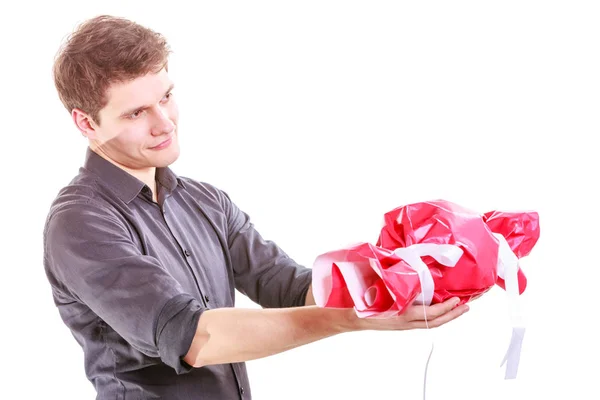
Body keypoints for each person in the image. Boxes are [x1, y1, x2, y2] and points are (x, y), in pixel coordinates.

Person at [43, 15, 469, 399]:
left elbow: (288, 285)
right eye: (136, 112)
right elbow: (195, 338)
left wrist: (395, 278)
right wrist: (351, 319)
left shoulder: (204, 201)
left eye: (166, 97)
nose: (165, 121)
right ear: (86, 123)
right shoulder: (80, 221)